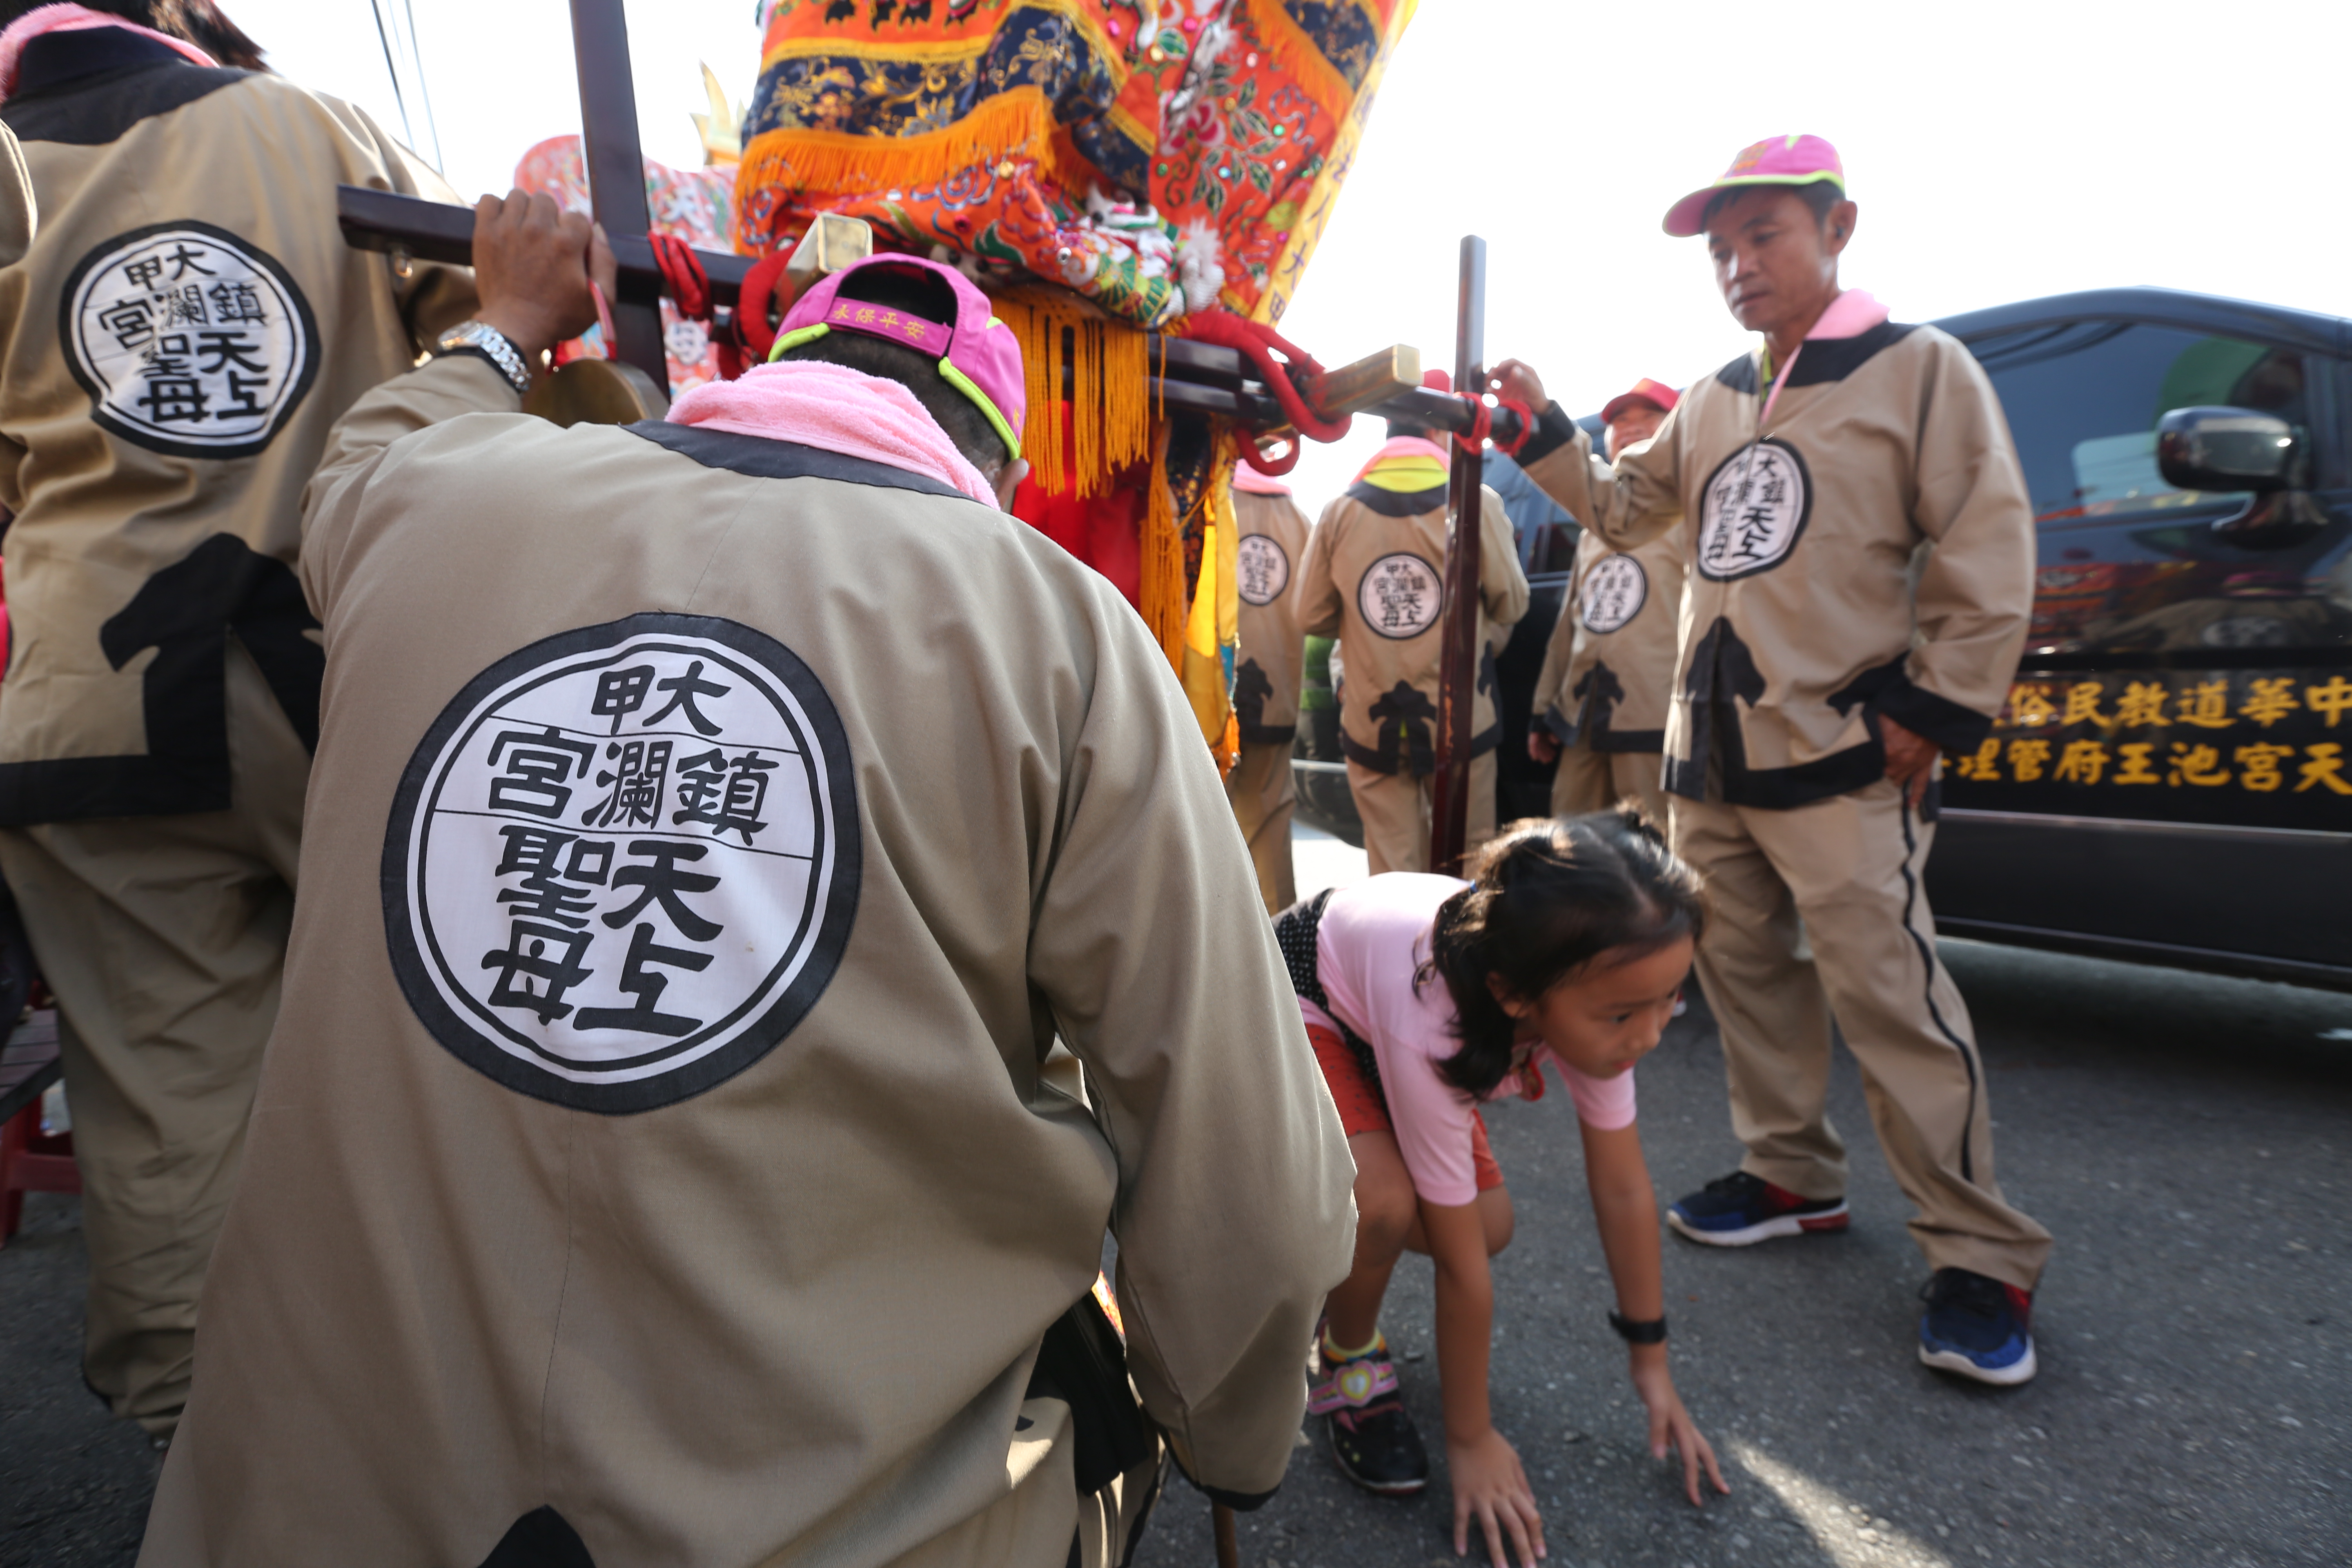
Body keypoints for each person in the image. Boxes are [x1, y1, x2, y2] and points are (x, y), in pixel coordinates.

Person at [139, 199, 1356, 1567]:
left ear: (768, 375)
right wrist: (1228, 1438)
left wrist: (505, 328)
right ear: (991, 465)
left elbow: (368, 445)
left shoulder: (428, 503)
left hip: (315, 1502)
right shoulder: (1060, 629)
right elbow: (1248, 1176)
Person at [1495, 134, 2053, 1386]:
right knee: (1743, 975)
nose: (1739, 266)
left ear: (1836, 227)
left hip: (1849, 748)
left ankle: (1979, 1249)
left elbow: (1986, 540)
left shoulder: (1922, 372)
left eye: (1765, 237)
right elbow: (1628, 511)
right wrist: (1539, 430)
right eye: (1721, 249)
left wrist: (1940, 702)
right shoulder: (1715, 398)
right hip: (1712, 759)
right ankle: (1790, 1169)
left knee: (1890, 999)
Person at [0, 0, 474, 1439]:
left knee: (164, 1125)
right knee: (442, 1077)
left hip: (86, 713)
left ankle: (216, 1463)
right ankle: (466, 1422)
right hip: (346, 681)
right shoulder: (314, 129)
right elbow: (500, 360)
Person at [1276, 814, 1726, 1563]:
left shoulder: (1584, 985)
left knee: (1487, 1224)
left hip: (1385, 1010)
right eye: (1625, 1014)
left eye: (1669, 1000)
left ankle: (1327, 1233)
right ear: (1515, 996)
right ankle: (1348, 1350)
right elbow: (1459, 1273)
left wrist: (1651, 1364)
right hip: (1302, 999)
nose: (1649, 1036)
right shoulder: (1441, 1021)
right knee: (1384, 1206)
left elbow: (1622, 1187)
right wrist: (1470, 1437)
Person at [1295, 373, 1529, 874]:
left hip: (1370, 719)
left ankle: (1398, 955)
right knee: (1470, 867)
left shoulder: (1339, 511)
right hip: (1463, 721)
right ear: (1442, 432)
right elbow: (1512, 604)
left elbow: (1310, 615)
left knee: (1393, 875)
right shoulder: (1477, 503)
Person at [1528, 379, 1686, 822]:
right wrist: (1544, 712)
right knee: (1572, 844)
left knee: (1655, 852)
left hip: (1656, 716)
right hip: (1582, 715)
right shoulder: (1592, 529)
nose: (1631, 428)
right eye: (1620, 420)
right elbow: (1570, 624)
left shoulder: (1693, 508)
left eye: (1648, 417)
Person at [1228, 457, 1312, 913]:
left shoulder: (1211, 501)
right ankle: (1280, 954)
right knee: (1271, 827)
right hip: (1277, 696)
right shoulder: (1301, 522)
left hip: (1207, 697)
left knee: (1198, 824)